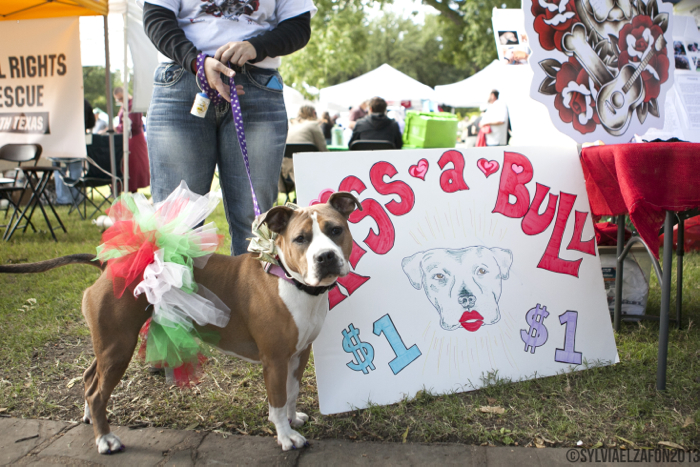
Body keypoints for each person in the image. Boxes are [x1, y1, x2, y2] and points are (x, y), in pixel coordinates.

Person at [143, 0, 316, 255]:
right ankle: (172, 295)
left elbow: (299, 25)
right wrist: (196, 62)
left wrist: (255, 47)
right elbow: (156, 17)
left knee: (255, 221)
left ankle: (251, 295)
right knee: (175, 220)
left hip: (255, 84)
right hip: (183, 78)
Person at [114, 87, 151, 193]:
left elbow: (132, 124)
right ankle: (124, 188)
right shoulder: (126, 105)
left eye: (120, 98)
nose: (119, 101)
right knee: (127, 165)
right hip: (127, 138)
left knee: (134, 166)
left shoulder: (133, 105)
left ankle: (133, 189)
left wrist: (117, 128)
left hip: (134, 138)